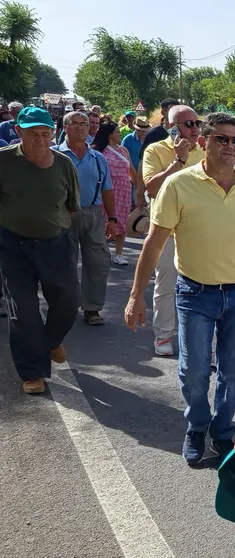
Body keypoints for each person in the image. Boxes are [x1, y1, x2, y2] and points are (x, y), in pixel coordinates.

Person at [125, 112, 235, 466]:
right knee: (193, 370)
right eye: (221, 139)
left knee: (232, 367)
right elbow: (154, 242)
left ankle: (223, 431)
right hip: (194, 294)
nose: (230, 146)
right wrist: (135, 296)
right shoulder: (179, 185)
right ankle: (197, 426)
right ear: (203, 142)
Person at [0, 107, 80, 395]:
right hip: (13, 246)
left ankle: (50, 340)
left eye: (45, 133)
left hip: (56, 244)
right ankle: (33, 371)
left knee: (68, 303)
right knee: (23, 312)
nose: (39, 139)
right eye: (32, 133)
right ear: (19, 132)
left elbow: (71, 205)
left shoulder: (63, 164)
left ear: (53, 133)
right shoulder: (4, 161)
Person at [141, 105, 206, 357]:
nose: (194, 128)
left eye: (196, 123)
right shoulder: (156, 150)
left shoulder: (202, 152)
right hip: (166, 230)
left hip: (199, 231)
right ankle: (163, 335)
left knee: (204, 287)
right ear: (171, 127)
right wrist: (177, 161)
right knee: (166, 284)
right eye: (188, 124)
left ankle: (204, 344)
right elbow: (153, 189)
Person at [54, 111, 116, 327]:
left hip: (93, 214)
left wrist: (113, 219)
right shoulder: (53, 155)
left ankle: (92, 308)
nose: (81, 127)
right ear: (65, 127)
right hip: (62, 215)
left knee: (98, 262)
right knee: (64, 263)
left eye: (85, 124)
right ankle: (64, 307)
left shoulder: (97, 158)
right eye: (75, 123)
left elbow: (107, 190)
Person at [92, 123, 144, 266]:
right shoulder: (99, 151)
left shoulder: (123, 150)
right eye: (116, 132)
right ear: (110, 135)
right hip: (106, 190)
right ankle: (100, 252)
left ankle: (119, 254)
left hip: (123, 191)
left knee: (122, 222)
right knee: (103, 222)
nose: (119, 134)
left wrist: (139, 192)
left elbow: (131, 171)